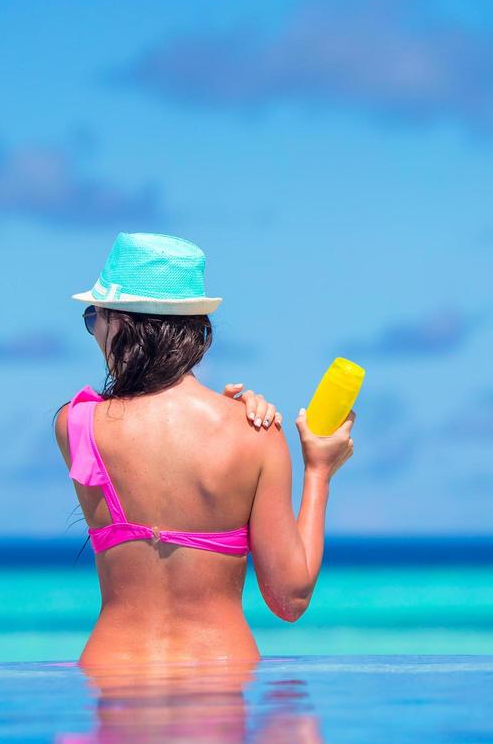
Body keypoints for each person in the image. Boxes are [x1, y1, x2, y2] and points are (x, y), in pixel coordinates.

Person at [52, 232, 356, 666]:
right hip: (220, 674)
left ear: (120, 323)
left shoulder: (75, 425)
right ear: (197, 330)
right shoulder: (254, 432)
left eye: (93, 317)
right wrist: (318, 470)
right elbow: (290, 600)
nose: (94, 332)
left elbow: (143, 431)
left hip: (112, 673)